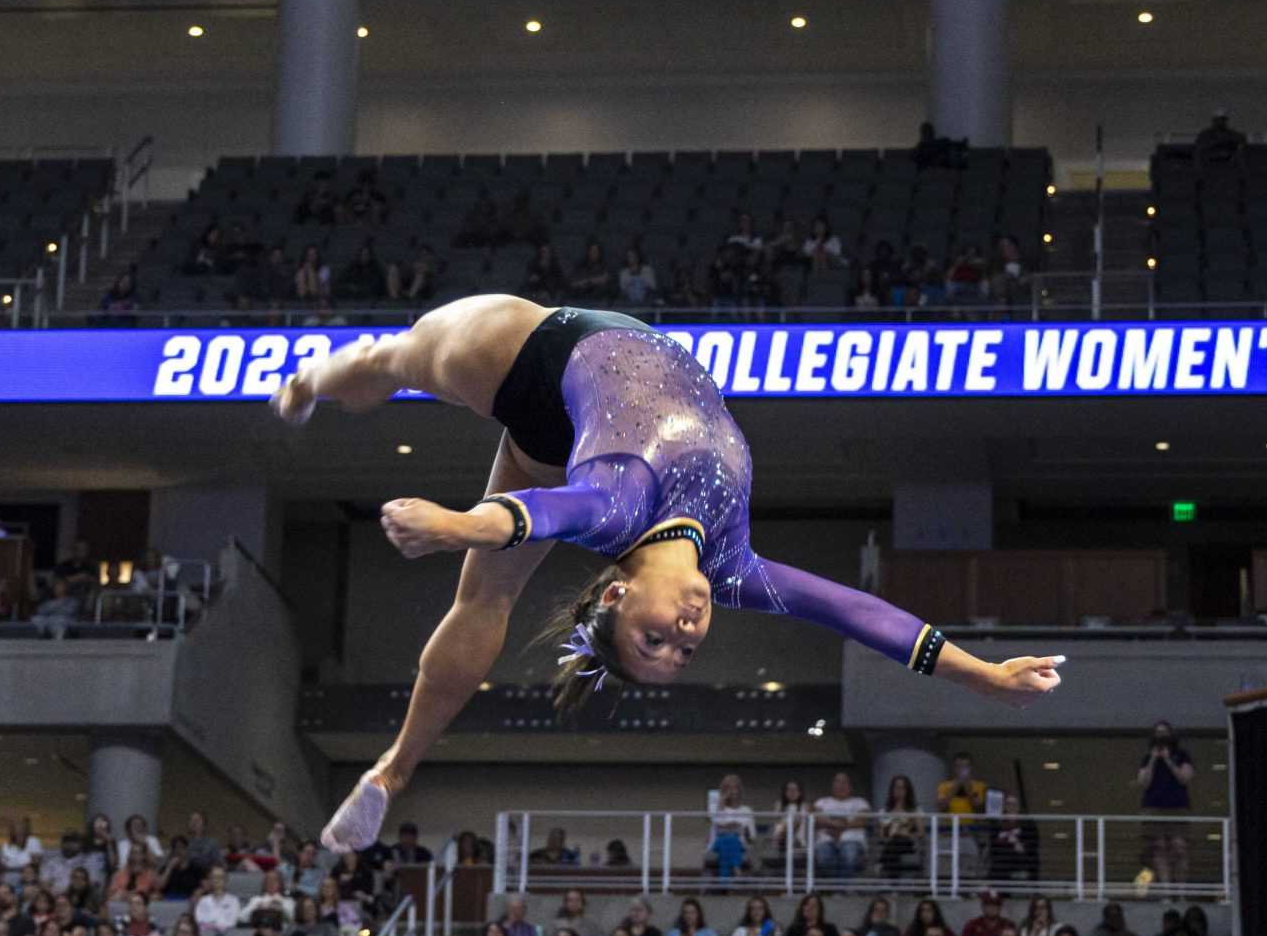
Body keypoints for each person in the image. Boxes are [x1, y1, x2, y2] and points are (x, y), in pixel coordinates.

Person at [277, 297, 1064, 849]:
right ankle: (394, 766)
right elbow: (856, 612)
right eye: (683, 652)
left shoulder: (617, 504)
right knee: (471, 555)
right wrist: (982, 675)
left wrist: (451, 525)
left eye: (654, 637)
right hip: (576, 411)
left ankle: (392, 770)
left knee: (406, 384)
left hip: (533, 354)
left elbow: (534, 514)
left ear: (617, 591)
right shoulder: (730, 567)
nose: (684, 636)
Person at [1138, 721, 1195, 888]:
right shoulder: (1148, 757)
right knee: (1159, 848)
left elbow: (1185, 778)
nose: (1161, 737)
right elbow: (1143, 782)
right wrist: (1153, 760)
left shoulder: (1182, 755)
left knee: (1179, 847)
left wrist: (1169, 760)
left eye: (1164, 733)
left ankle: (1182, 889)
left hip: (1178, 807)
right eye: (1158, 733)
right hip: (1154, 807)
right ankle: (1166, 890)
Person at [809, 771, 870, 882]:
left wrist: (831, 823)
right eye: (838, 782)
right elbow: (816, 819)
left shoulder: (860, 802)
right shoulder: (822, 802)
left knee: (849, 857)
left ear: (850, 786)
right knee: (824, 859)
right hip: (825, 840)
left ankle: (839, 890)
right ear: (833, 785)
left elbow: (861, 821)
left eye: (844, 782)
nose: (841, 785)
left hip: (852, 840)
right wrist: (840, 824)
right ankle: (841, 889)